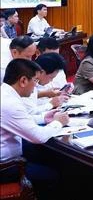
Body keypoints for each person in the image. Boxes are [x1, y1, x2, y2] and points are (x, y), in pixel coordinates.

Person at [0, 59, 69, 199]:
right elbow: (38, 137)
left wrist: (45, 118)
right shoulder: (9, 103)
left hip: (12, 156)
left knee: (50, 157)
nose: (35, 87)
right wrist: (58, 123)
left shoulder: (5, 93)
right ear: (23, 80)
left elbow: (18, 121)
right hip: (6, 167)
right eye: (36, 81)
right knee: (53, 175)